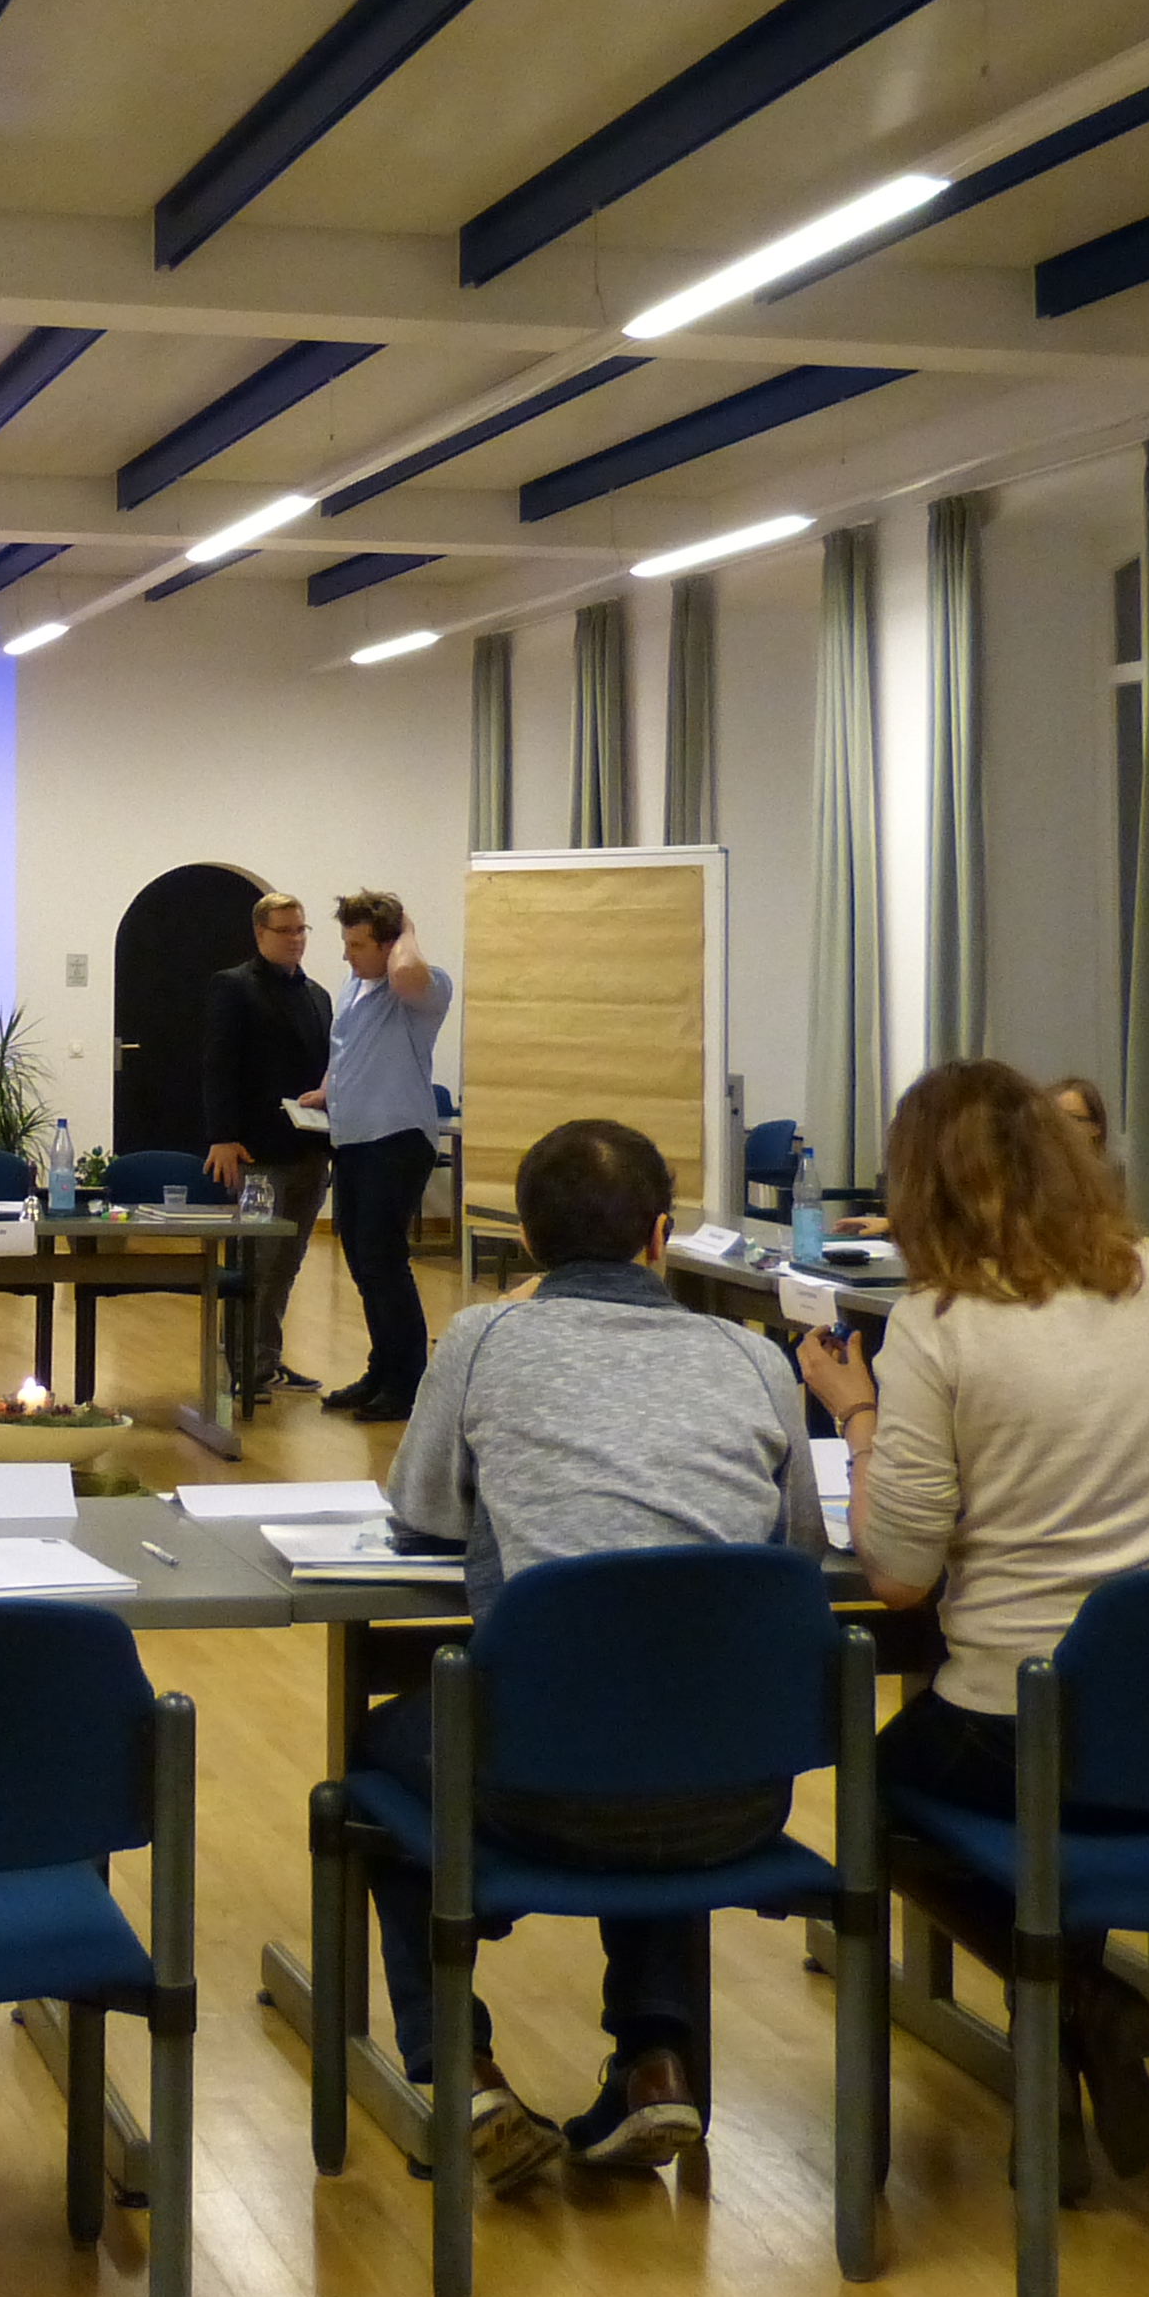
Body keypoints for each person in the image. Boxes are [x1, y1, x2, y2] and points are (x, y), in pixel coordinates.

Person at [372, 1117, 827, 2186]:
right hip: (735, 1790)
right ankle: (656, 2060)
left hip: (537, 1788)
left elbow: (422, 1513)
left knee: (376, 1771)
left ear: (528, 1242)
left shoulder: (484, 1338)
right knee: (663, 1718)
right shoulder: (755, 1358)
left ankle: (460, 2068)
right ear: (661, 1236)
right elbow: (795, 1549)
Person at [795, 1059, 1149, 2181]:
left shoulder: (938, 1321)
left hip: (1018, 1715)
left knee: (875, 1794)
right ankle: (1075, 2023)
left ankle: (1076, 1996)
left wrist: (855, 1415)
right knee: (1054, 1803)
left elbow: (898, 1575)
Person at [319, 889, 455, 1420]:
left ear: (390, 944)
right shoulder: (354, 985)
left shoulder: (423, 986)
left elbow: (405, 973)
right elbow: (344, 1048)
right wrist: (327, 1088)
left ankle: (408, 1381)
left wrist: (408, 931)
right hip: (353, 1140)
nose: (347, 954)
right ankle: (381, 1369)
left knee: (383, 1259)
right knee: (361, 1260)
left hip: (396, 1138)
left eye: (357, 945)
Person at [200, 890, 333, 1399]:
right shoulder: (234, 986)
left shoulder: (318, 995)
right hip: (257, 1153)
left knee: (288, 1264)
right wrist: (222, 1136)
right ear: (260, 934)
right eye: (285, 930)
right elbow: (218, 1064)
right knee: (255, 1263)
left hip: (310, 1150)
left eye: (301, 930)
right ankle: (241, 1366)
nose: (296, 939)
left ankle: (265, 1359)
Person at [1047, 1076, 1125, 1211]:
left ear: (1095, 1127)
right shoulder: (1031, 1177)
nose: (1060, 1127)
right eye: (1053, 1118)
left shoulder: (1106, 1183)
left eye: (1072, 1117)